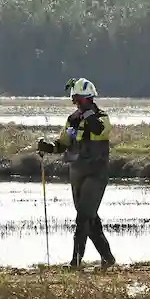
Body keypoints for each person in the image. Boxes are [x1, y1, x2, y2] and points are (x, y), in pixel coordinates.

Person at [37, 78, 115, 269]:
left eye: (79, 100)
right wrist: (47, 147)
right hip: (77, 173)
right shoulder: (72, 119)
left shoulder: (102, 117)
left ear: (90, 99)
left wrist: (88, 114)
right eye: (75, 100)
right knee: (90, 218)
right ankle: (108, 258)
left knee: (83, 217)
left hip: (96, 173)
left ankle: (75, 262)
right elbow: (62, 144)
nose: (76, 104)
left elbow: (100, 131)